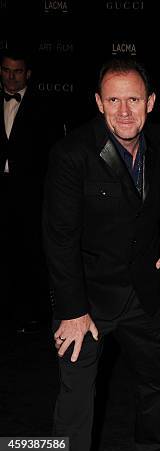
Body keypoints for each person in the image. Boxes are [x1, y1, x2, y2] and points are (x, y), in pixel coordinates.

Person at [43, 57, 160, 451]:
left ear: (151, 102)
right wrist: (73, 310)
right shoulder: (71, 155)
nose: (124, 111)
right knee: (75, 402)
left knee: (154, 388)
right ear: (98, 102)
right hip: (86, 299)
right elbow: (59, 239)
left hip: (143, 293)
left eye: (134, 100)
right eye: (114, 100)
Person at [0, 48, 62, 333]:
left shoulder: (44, 108)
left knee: (30, 253)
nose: (11, 77)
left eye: (17, 71)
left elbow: (52, 154)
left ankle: (33, 315)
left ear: (28, 74)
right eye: (6, 70)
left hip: (30, 194)